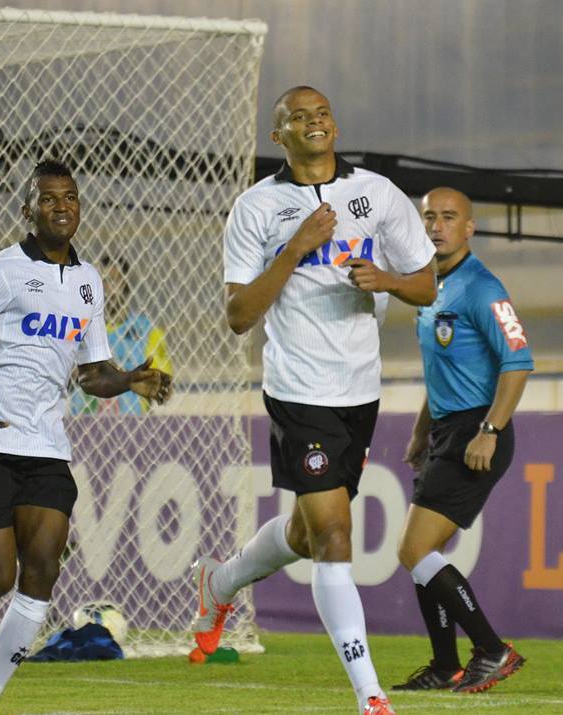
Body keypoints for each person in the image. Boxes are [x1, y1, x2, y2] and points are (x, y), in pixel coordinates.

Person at [192, 86, 437, 715]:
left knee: (305, 532)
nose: (315, 121)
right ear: (280, 136)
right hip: (298, 390)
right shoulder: (257, 208)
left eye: (322, 112)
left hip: (360, 390)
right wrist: (296, 248)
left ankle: (218, 584)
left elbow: (427, 283)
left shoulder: (377, 194)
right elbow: (238, 314)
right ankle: (371, 695)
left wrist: (384, 281)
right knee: (333, 532)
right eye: (298, 116)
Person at [0, 158, 172, 715]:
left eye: (69, 198)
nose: (61, 207)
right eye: (48, 199)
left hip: (46, 446)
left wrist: (130, 379)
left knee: (44, 567)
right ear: (27, 211)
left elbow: (91, 373)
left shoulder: (88, 282)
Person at [392, 187, 532, 694]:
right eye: (429, 216)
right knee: (422, 553)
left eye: (449, 217)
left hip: (478, 430)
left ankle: (492, 650)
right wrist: (420, 430)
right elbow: (441, 370)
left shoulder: (482, 287)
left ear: (469, 227)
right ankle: (446, 665)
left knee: (414, 549)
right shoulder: (430, 288)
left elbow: (518, 362)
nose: (437, 226)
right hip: (447, 430)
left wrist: (489, 432)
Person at [70, 255, 172, 414]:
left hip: (131, 428)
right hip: (83, 429)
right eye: (103, 281)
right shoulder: (75, 329)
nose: (108, 287)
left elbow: (163, 384)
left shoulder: (148, 331)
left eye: (114, 280)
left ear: (125, 284)